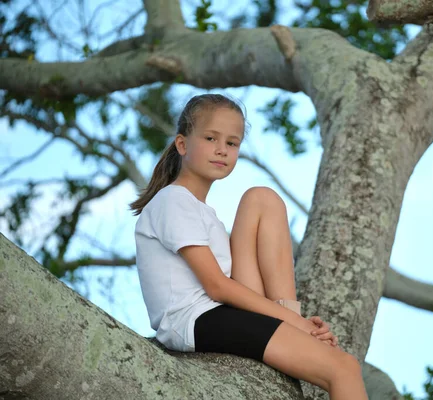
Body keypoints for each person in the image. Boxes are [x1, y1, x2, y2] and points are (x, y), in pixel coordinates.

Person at [129, 94, 368, 399]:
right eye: (211, 138)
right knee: (343, 367)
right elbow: (216, 286)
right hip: (195, 318)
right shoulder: (172, 200)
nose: (222, 149)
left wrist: (293, 318)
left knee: (261, 198)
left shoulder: (206, 214)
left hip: (218, 310)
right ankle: (292, 320)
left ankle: (289, 312)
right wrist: (296, 323)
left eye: (232, 143)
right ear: (182, 144)